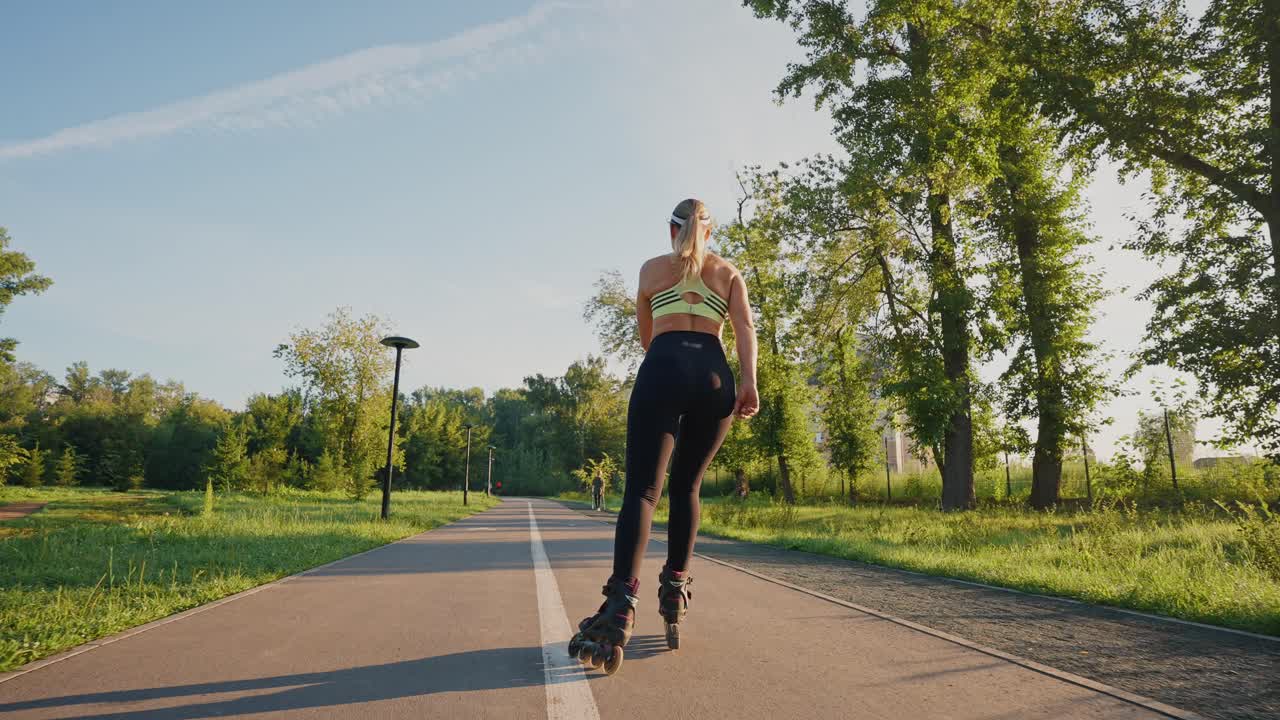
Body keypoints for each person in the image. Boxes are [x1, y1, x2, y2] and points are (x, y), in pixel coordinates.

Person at [568, 198, 759, 674]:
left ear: (670, 230)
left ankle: (620, 604)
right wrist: (749, 382)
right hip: (714, 374)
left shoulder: (652, 269)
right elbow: (744, 327)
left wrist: (668, 366)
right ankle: (675, 588)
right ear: (709, 233)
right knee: (687, 487)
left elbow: (646, 337)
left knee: (643, 490)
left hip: (665, 363)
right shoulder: (727, 273)